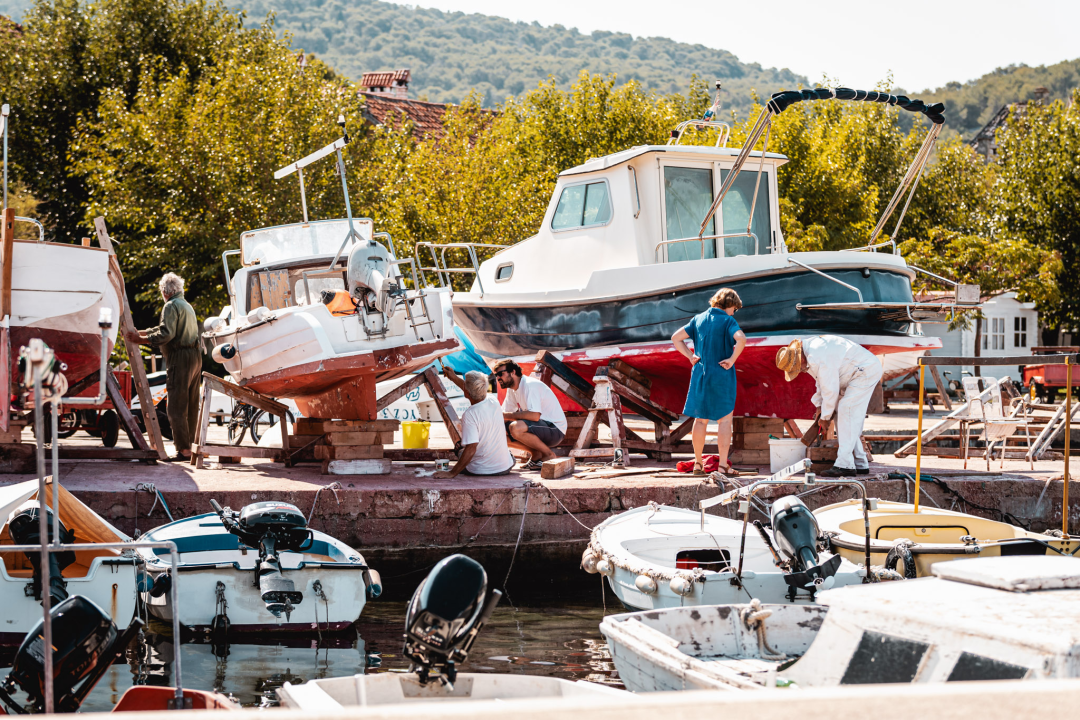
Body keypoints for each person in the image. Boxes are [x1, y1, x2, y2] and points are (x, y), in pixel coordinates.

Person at [775, 335, 884, 477]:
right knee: (845, 413)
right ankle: (860, 462)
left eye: (798, 368)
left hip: (865, 370)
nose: (801, 371)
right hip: (855, 372)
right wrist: (820, 406)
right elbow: (821, 383)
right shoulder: (810, 353)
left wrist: (825, 417)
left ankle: (845, 465)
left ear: (800, 359)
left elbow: (830, 389)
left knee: (846, 409)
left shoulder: (817, 355)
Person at [671, 288, 747, 475]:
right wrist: (732, 359)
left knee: (700, 419)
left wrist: (690, 355)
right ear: (729, 305)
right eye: (734, 309)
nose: (734, 312)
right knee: (725, 420)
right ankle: (722, 466)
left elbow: (675, 338)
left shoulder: (698, 319)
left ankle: (698, 464)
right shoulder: (729, 320)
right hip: (721, 374)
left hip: (700, 373)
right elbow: (741, 338)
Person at [128, 273, 201, 462]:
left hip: (180, 358)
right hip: (195, 356)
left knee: (176, 406)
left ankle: (184, 450)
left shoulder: (170, 306)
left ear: (164, 291)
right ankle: (192, 447)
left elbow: (166, 334)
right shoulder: (186, 305)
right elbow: (163, 329)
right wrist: (142, 333)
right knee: (192, 406)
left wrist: (140, 339)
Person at [436, 369, 514, 478]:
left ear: (466, 392)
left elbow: (471, 448)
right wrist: (453, 377)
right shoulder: (493, 401)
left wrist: (452, 473)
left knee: (460, 450)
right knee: (507, 453)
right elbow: (469, 388)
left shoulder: (470, 414)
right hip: (505, 467)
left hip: (481, 470)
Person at [493, 359, 567, 471]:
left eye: (500, 374)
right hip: (540, 428)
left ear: (513, 372)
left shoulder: (530, 385)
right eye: (496, 375)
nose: (498, 378)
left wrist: (506, 415)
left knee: (515, 428)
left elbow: (535, 416)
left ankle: (548, 454)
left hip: (555, 430)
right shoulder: (512, 390)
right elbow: (503, 416)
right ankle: (536, 454)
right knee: (498, 433)